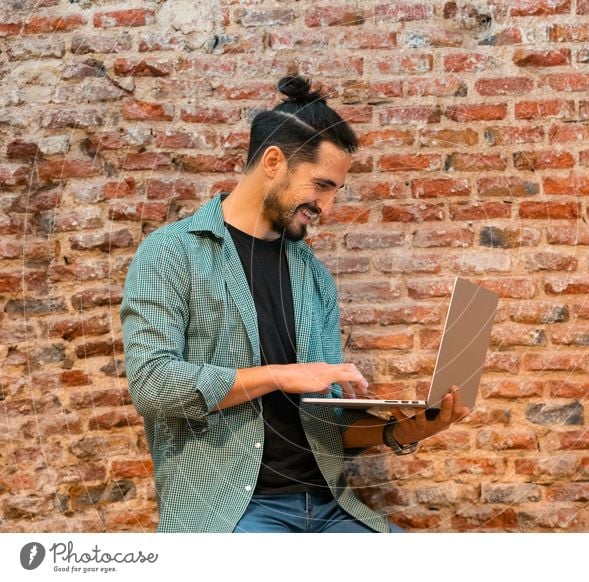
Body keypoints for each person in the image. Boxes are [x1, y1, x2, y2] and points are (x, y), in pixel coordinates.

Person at [120, 76, 470, 533]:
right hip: (234, 514)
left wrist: (402, 430)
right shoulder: (172, 253)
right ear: (273, 161)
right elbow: (152, 385)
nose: (325, 205)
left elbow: (327, 422)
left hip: (330, 506)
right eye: (321, 185)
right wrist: (284, 375)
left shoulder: (313, 278)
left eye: (334, 192)